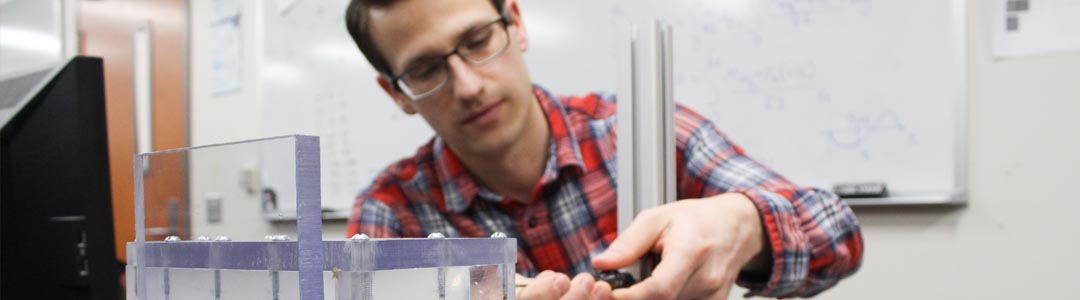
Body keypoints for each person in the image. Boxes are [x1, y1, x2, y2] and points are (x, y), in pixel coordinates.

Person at [343, 0, 863, 299]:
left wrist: (746, 228)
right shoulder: (391, 211)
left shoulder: (640, 132)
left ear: (516, 23)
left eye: (478, 40)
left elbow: (837, 232)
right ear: (396, 92)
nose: (469, 85)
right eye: (426, 70)